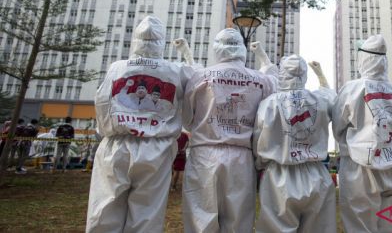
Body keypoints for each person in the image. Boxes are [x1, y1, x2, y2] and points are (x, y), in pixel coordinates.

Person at [86, 16, 199, 233]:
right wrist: (186, 53)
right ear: (162, 41)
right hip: (156, 147)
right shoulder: (175, 70)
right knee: (146, 213)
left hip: (116, 145)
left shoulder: (117, 67)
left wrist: (104, 131)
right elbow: (195, 88)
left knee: (105, 207)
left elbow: (101, 101)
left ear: (135, 40)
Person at [182, 29, 277, 233]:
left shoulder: (200, 76)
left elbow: (187, 119)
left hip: (204, 154)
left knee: (201, 219)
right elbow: (269, 115)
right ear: (242, 49)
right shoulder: (261, 80)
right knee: (238, 222)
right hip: (242, 157)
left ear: (216, 48)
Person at [332, 34, 392, 233]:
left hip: (359, 166)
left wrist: (347, 145)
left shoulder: (351, 88)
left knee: (360, 224)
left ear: (363, 58)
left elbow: (339, 127)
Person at [254, 56, 336, 232]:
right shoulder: (320, 101)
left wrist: (259, 164)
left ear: (282, 73)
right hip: (317, 173)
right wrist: (321, 76)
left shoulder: (269, 103)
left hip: (279, 175)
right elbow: (332, 98)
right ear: (304, 75)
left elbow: (258, 140)